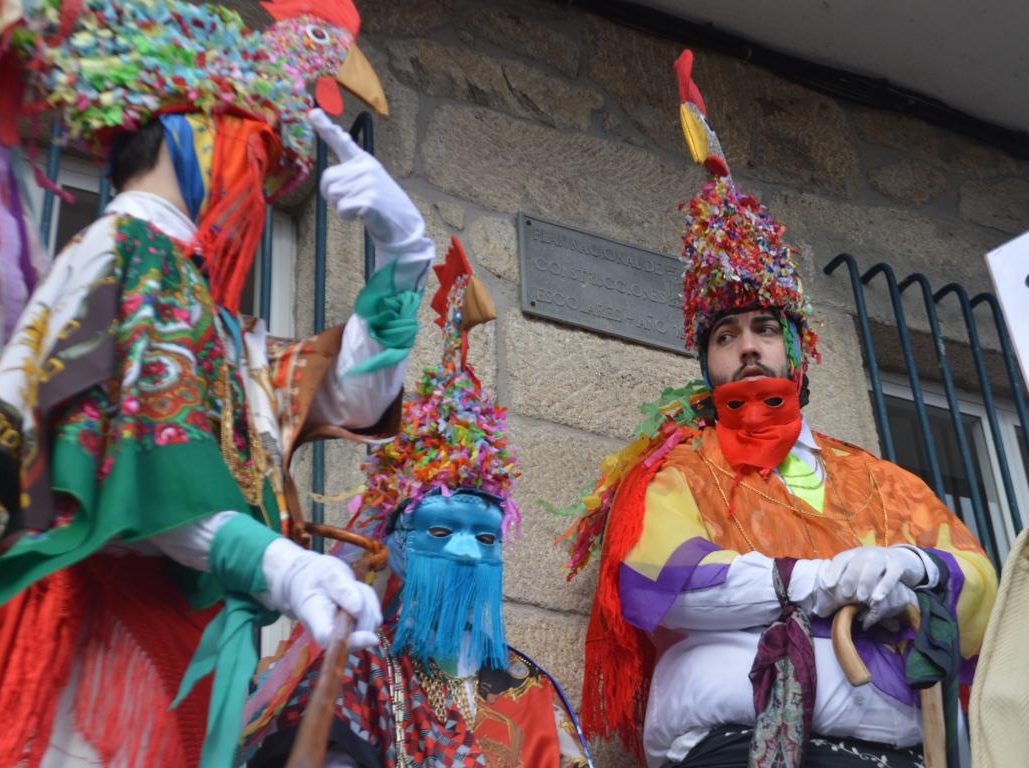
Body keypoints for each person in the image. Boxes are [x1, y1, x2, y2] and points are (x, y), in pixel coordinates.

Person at [0, 1, 434, 766]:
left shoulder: (207, 316)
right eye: (256, 159)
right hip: (100, 653)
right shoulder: (130, 253)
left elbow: (349, 395)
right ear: (197, 137)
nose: (256, 197)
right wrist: (279, 564)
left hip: (165, 657)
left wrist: (402, 257)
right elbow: (140, 473)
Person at [562, 50, 998, 768]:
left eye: (766, 329)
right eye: (726, 337)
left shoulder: (880, 480)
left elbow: (982, 581)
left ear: (798, 350)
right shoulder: (676, 474)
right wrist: (817, 579)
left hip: (889, 749)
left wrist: (912, 569)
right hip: (735, 743)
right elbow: (663, 581)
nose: (748, 349)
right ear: (706, 364)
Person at [242, 241, 592, 768]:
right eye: (439, 531)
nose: (468, 553)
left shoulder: (532, 688)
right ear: (395, 542)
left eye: (486, 537)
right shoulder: (363, 669)